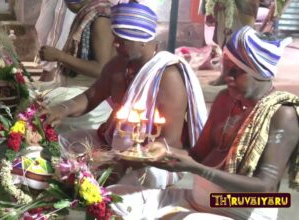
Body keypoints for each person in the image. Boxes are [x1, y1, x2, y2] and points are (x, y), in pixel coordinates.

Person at [109, 26, 299, 220]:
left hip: (239, 211)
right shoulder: (224, 99)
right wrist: (163, 155)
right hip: (196, 201)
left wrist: (196, 169)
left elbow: (266, 188)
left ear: (261, 74)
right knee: (112, 197)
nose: (227, 77)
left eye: (237, 71)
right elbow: (197, 155)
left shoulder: (283, 113)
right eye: (225, 67)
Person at [40, 2, 208, 189]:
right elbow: (90, 97)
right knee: (52, 147)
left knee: (121, 191)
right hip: (111, 141)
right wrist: (61, 109)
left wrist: (124, 162)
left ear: (142, 39)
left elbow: (169, 140)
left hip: (155, 158)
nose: (115, 44)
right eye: (115, 38)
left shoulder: (168, 77)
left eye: (122, 40)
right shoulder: (119, 65)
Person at [35, 0, 115, 134]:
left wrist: (59, 56)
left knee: (39, 110)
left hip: (91, 99)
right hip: (80, 94)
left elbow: (102, 69)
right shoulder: (89, 12)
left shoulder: (100, 18)